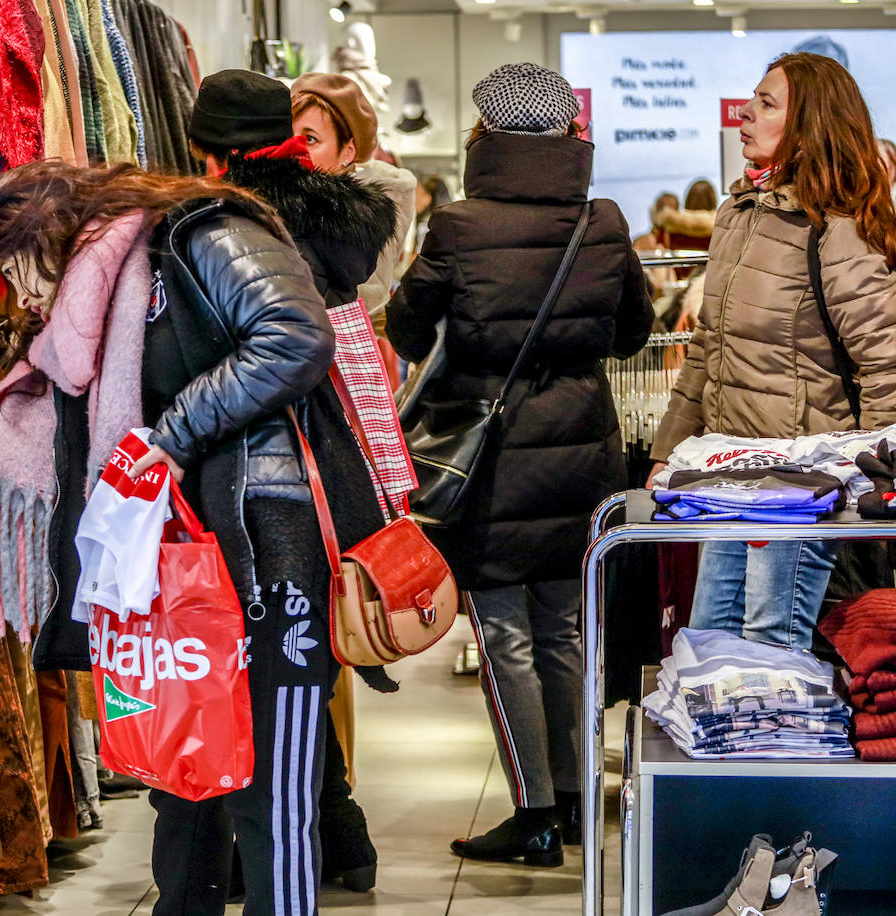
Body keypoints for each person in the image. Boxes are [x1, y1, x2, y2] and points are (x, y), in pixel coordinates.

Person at [0, 160, 383, 916]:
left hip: (267, 559)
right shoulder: (86, 317)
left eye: (15, 267)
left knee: (273, 805)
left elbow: (294, 335)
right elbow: (31, 460)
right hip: (168, 581)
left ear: (48, 233)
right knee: (182, 790)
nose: (18, 291)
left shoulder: (203, 235)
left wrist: (171, 437)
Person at [386, 61, 653, 867]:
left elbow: (407, 328)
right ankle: (577, 801)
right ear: (571, 135)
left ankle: (534, 814)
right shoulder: (601, 221)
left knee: (505, 637)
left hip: (491, 458)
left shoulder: (460, 227)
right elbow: (633, 333)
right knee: (568, 630)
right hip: (581, 449)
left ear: (484, 137)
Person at [186, 67, 396, 898]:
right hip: (329, 473)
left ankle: (273, 856)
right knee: (301, 688)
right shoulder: (330, 226)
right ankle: (339, 842)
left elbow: (268, 354)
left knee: (248, 689)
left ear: (208, 152)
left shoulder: (221, 228)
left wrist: (171, 430)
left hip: (250, 483)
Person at [650, 52, 896, 650]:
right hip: (730, 480)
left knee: (770, 661)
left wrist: (879, 486)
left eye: (766, 105)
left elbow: (885, 357)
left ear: (809, 127)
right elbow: (708, 350)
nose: (745, 115)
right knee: (704, 645)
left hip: (803, 490)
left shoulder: (838, 225)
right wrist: (668, 455)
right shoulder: (737, 214)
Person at [291, 71, 417, 335]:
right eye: (287, 136)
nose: (294, 148)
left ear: (347, 152)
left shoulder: (358, 227)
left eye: (311, 138)